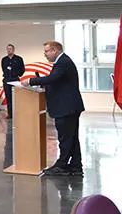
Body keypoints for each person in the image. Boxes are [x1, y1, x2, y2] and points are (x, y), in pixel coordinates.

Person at [23, 41, 85, 177]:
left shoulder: (62, 62)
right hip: (70, 107)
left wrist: (31, 81)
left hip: (66, 107)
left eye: (46, 51)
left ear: (55, 50)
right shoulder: (62, 62)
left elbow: (53, 78)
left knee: (65, 138)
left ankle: (62, 166)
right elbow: (58, 81)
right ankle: (76, 166)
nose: (45, 54)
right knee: (72, 138)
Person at [1, 44, 25, 119]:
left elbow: (22, 69)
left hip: (15, 80)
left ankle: (17, 113)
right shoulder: (4, 59)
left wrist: (17, 74)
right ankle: (10, 114)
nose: (9, 50)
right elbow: (3, 69)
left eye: (10, 49)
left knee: (16, 97)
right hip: (7, 80)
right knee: (8, 98)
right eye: (8, 49)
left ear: (13, 50)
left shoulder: (19, 59)